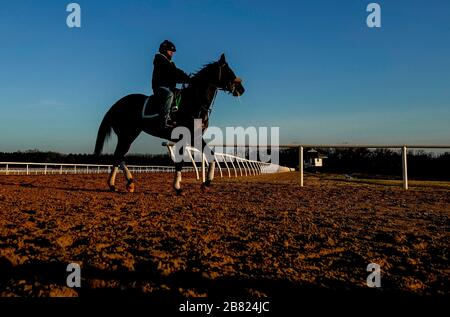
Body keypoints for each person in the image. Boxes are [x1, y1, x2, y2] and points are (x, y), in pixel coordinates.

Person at [152, 40, 190, 128]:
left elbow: (176, 72)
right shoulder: (160, 60)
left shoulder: (170, 63)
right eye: (170, 51)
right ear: (164, 50)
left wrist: (187, 78)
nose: (172, 53)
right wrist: (181, 78)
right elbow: (171, 73)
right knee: (169, 95)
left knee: (181, 93)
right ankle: (164, 119)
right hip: (160, 87)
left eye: (172, 51)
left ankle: (175, 114)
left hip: (169, 87)